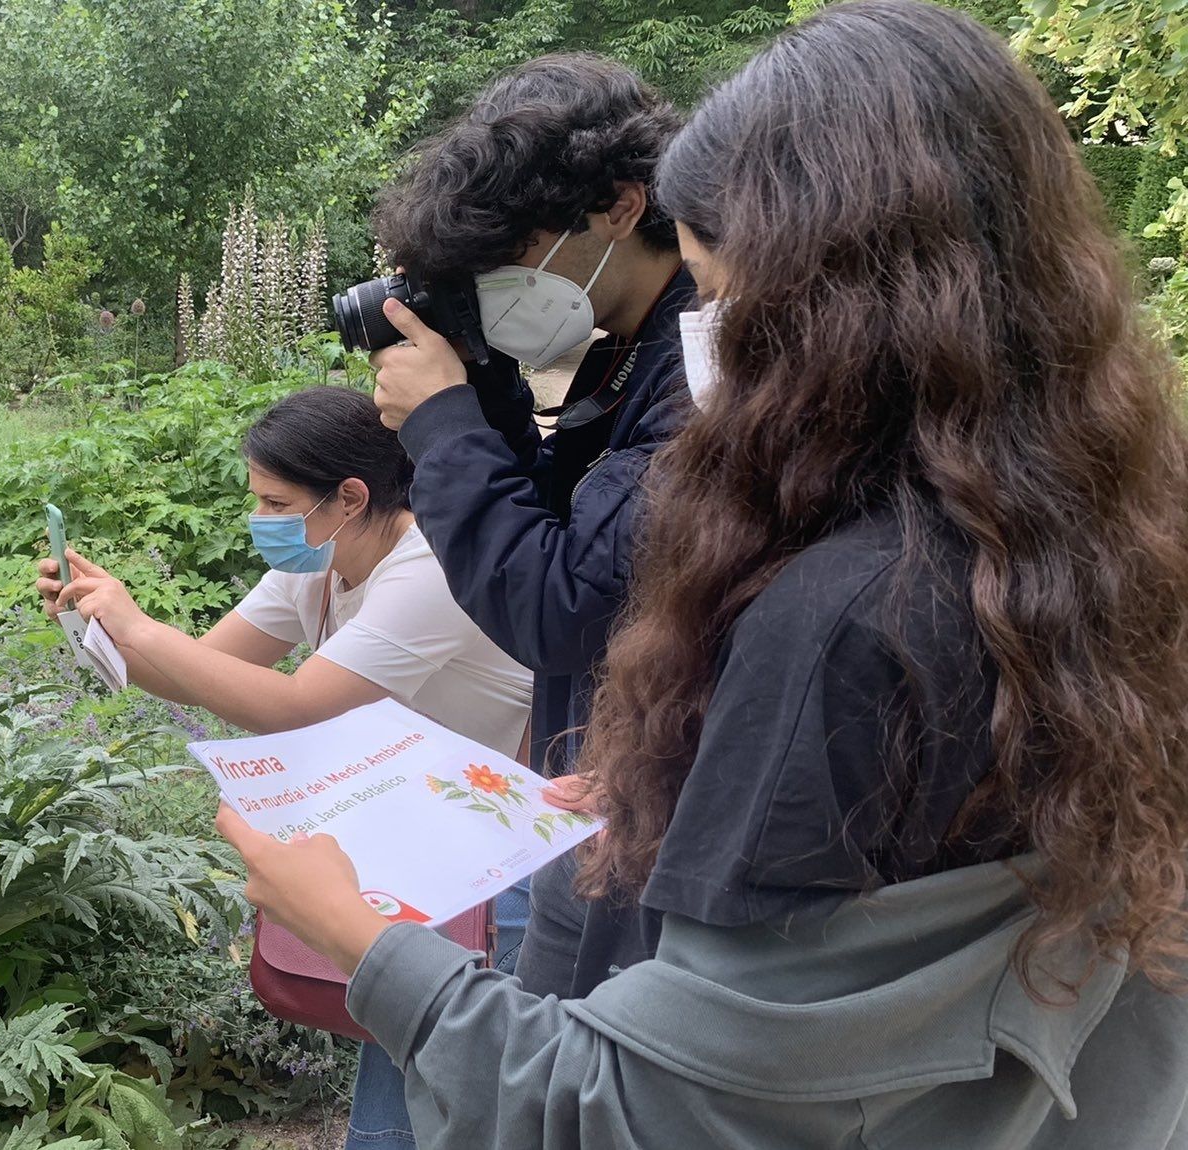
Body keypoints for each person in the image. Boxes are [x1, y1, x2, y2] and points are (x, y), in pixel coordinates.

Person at [217, 1, 1188, 1145]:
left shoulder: (842, 618)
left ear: (831, 305)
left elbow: (650, 1108)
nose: (706, 342)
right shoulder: (1088, 536)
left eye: (718, 296)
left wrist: (362, 944)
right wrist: (677, 778)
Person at [34, 385, 534, 1147]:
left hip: (506, 860)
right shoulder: (320, 557)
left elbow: (300, 707)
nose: (260, 521)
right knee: (413, 1079)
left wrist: (139, 625)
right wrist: (95, 626)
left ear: (349, 497)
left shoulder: (429, 566)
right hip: (429, 843)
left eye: (274, 502)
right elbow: (208, 670)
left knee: (465, 1086)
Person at [363, 54, 694, 1000]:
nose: (504, 281)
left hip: (651, 826)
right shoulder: (622, 352)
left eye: (514, 252)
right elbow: (559, 520)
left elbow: (564, 605)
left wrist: (442, 426)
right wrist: (488, 398)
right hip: (600, 792)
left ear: (621, 206)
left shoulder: (705, 365)